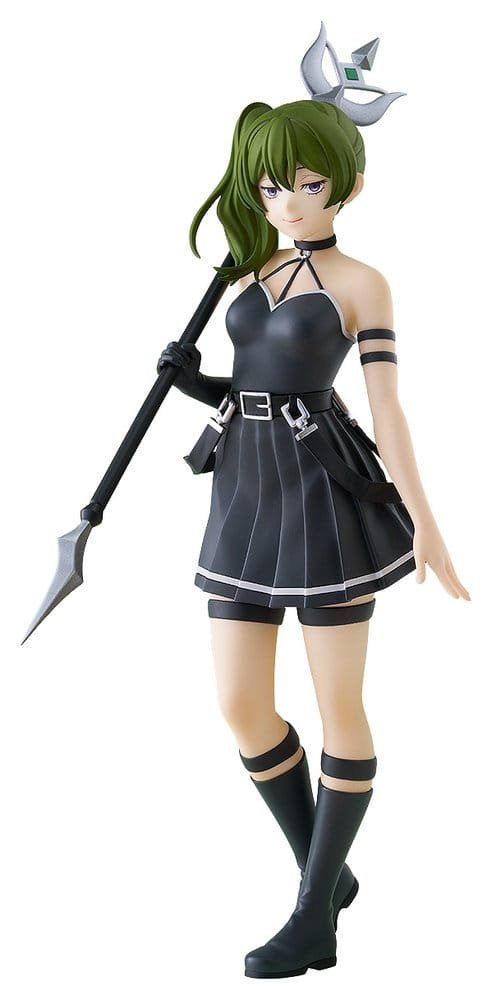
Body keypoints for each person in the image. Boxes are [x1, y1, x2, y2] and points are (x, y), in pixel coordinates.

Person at [157, 98, 470, 978]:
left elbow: (386, 410)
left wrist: (427, 522)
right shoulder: (251, 272)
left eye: (307, 184)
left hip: (325, 496)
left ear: (347, 186)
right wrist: (194, 382)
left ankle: (313, 917)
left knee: (340, 706)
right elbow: (247, 388)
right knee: (240, 704)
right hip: (243, 492)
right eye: (269, 187)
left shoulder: (362, 283)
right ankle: (325, 872)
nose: (287, 202)